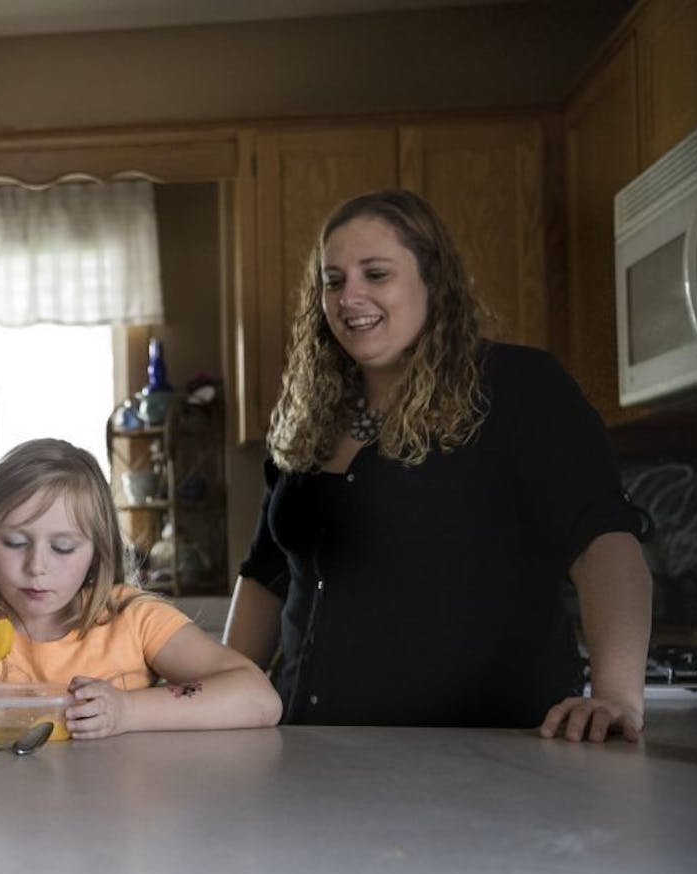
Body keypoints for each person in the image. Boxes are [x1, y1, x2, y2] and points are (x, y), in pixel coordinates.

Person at [224, 189, 651, 742]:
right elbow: (266, 574)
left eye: (376, 274)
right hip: (313, 751)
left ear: (432, 280)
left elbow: (603, 540)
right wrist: (216, 691)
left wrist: (617, 696)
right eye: (333, 281)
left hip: (489, 753)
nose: (349, 296)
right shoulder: (313, 412)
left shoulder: (516, 388)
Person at [0, 438, 282, 737]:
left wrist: (128, 712)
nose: (36, 567)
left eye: (63, 548)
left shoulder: (133, 620)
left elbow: (258, 698)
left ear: (98, 551)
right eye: (15, 542)